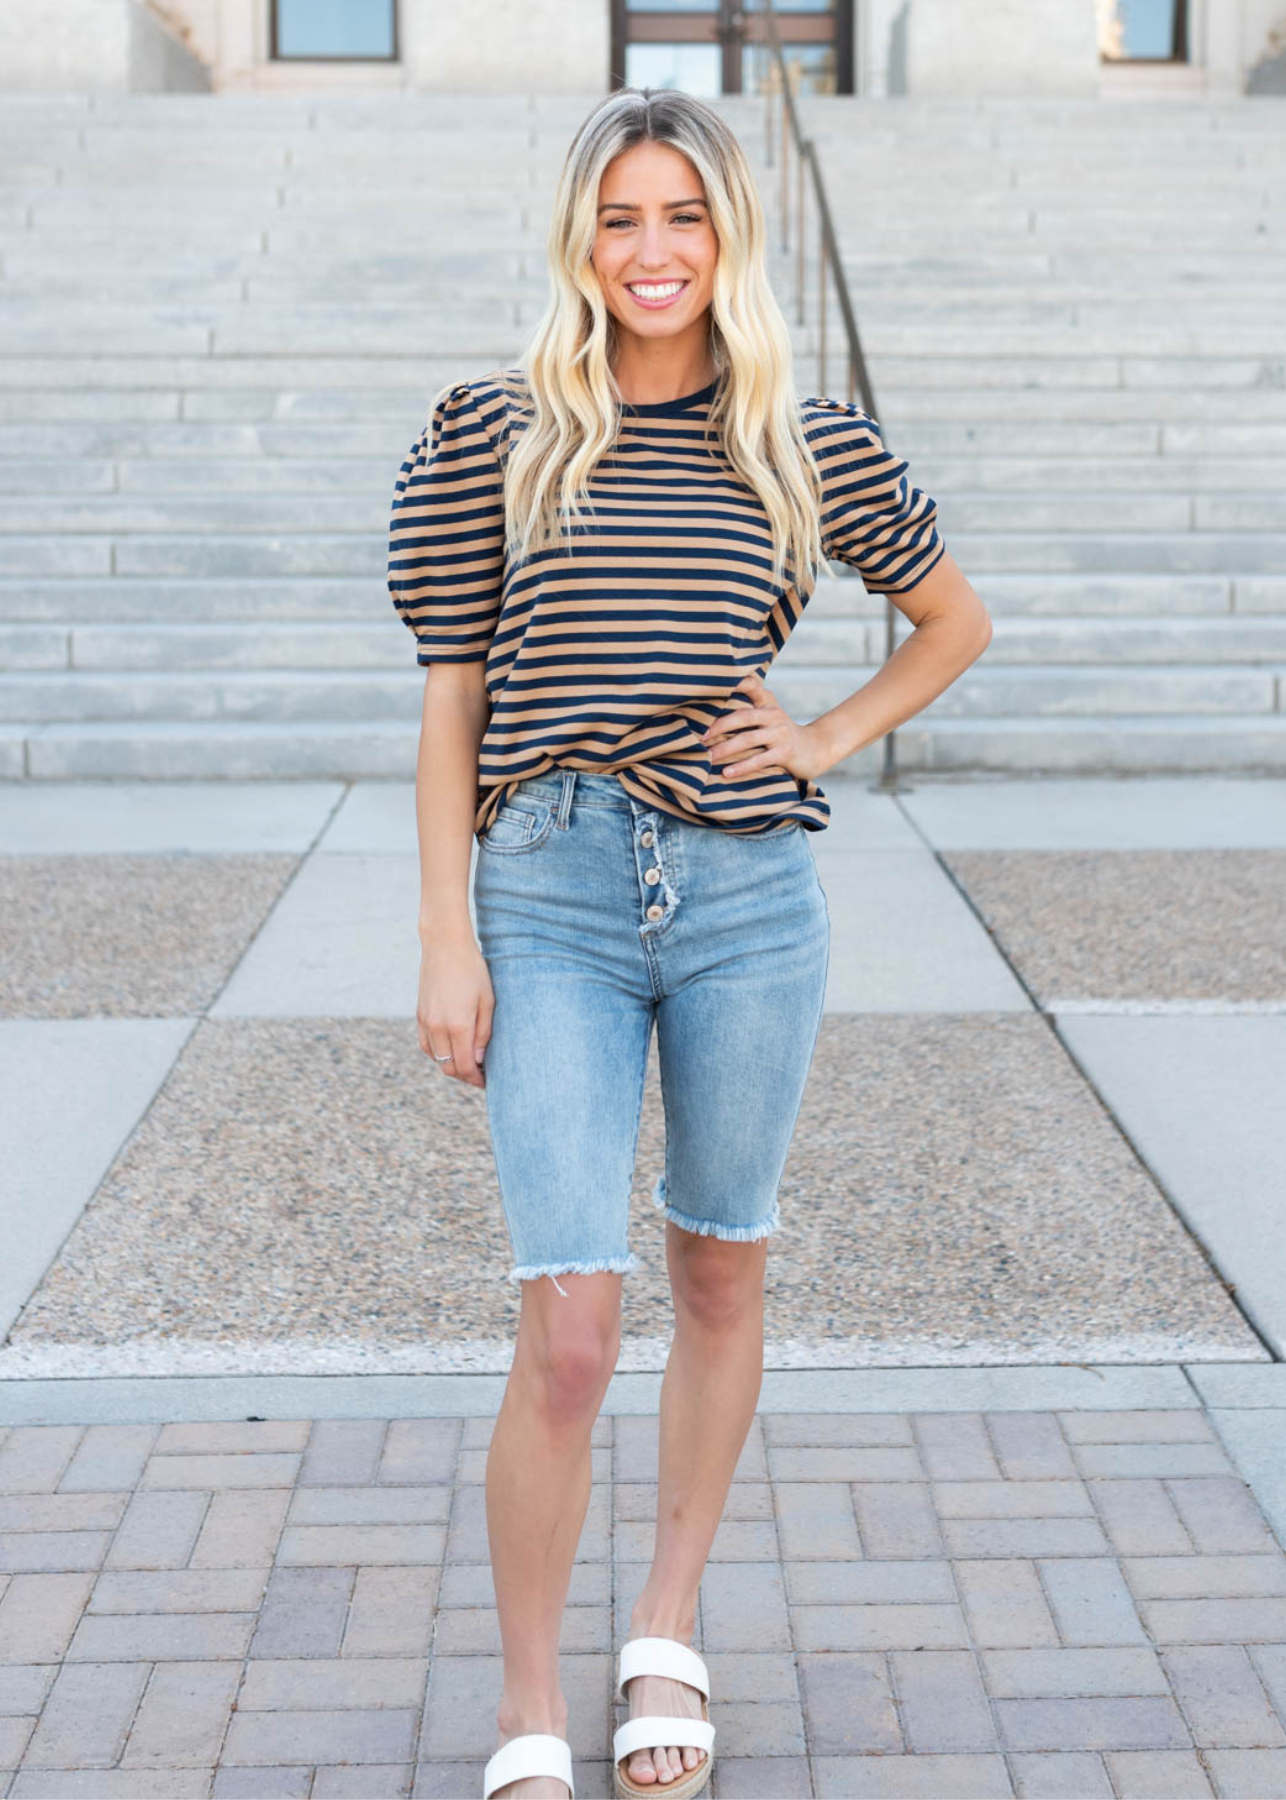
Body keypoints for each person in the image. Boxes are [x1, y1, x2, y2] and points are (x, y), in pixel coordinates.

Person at [388, 84, 992, 1800]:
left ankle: (665, 1621)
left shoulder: (804, 440)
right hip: (551, 888)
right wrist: (447, 932)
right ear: (579, 236)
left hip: (744, 900)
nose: (652, 253)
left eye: (685, 217)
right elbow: (448, 703)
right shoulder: (490, 428)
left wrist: (820, 738)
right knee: (568, 1323)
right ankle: (527, 1707)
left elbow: (953, 616)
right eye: (620, 218)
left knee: (719, 1265)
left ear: (731, 236)